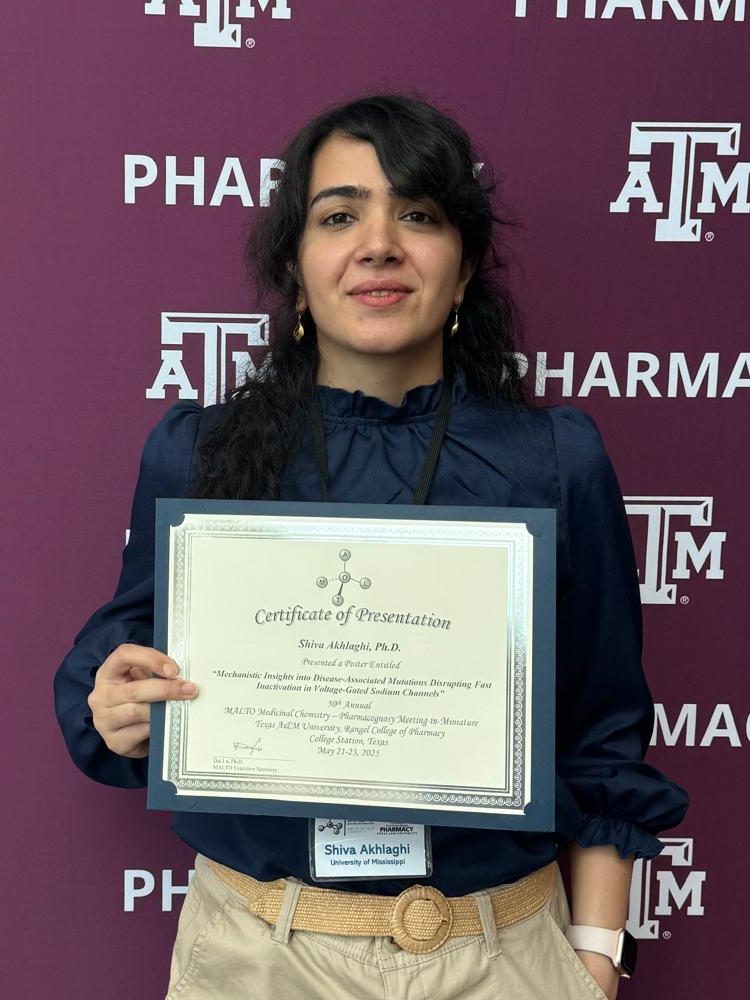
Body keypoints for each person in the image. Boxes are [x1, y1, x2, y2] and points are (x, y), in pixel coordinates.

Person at [54, 94, 688, 1000]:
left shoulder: (555, 462)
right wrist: (116, 704)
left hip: (503, 953)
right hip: (256, 956)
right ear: (295, 266)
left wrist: (594, 956)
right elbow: (118, 664)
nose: (380, 245)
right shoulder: (199, 453)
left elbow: (604, 729)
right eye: (340, 216)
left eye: (418, 215)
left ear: (464, 269)